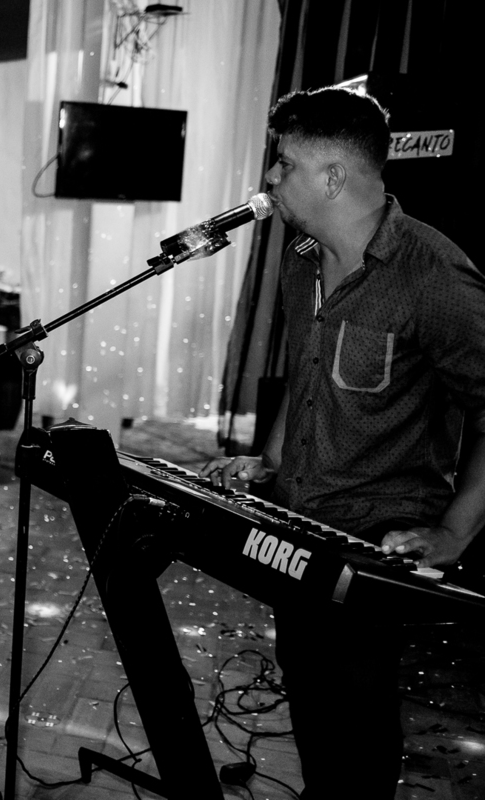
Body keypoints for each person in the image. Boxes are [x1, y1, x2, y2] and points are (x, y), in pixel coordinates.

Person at [201, 86, 485, 799]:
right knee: (315, 710)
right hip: (299, 522)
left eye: (283, 163)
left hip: (372, 541)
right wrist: (265, 460)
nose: (269, 178)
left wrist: (455, 529)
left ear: (333, 177)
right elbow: (304, 376)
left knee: (357, 726)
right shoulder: (303, 258)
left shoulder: (433, 276)